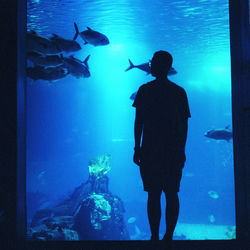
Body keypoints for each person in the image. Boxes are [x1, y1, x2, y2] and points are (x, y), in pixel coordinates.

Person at [132, 51, 191, 246]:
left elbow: (138, 121)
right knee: (172, 194)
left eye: (154, 62)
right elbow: (184, 125)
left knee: (154, 194)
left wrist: (137, 147)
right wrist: (182, 149)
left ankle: (155, 236)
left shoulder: (144, 90)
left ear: (157, 66)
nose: (152, 65)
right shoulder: (179, 92)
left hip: (150, 150)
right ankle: (167, 237)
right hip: (173, 151)